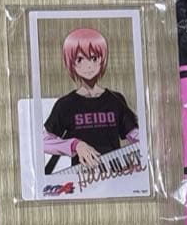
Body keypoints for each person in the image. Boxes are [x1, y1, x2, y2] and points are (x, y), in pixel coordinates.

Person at [42, 27, 139, 173]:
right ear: (71, 63)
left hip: (115, 176)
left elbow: (136, 136)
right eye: (80, 59)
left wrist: (136, 159)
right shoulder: (65, 104)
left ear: (102, 59)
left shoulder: (115, 100)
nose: (88, 66)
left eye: (94, 58)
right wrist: (75, 145)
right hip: (81, 178)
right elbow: (43, 142)